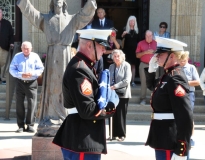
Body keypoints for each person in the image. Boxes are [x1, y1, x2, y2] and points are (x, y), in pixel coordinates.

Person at [17, 0, 97, 136]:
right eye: (56, 1)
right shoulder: (46, 18)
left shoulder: (72, 19)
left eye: (61, 1)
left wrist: (91, 2)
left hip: (66, 56)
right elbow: (33, 14)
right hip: (53, 57)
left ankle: (65, 116)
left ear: (64, 3)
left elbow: (85, 15)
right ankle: (50, 116)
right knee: (52, 87)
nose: (58, 2)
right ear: (53, 3)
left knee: (65, 86)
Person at [53, 29, 119, 160]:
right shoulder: (80, 70)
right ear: (90, 45)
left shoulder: (85, 66)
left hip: (83, 136)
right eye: (101, 47)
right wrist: (112, 105)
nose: (104, 51)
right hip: (82, 137)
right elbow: (88, 110)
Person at [145, 37, 193, 160]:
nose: (157, 56)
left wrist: (181, 150)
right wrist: (151, 70)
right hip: (162, 137)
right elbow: (152, 86)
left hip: (170, 140)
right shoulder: (167, 75)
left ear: (172, 56)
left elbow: (185, 115)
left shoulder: (175, 78)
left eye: (160, 54)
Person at [9, 41, 44, 133]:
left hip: (32, 82)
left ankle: (30, 125)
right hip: (20, 82)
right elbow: (11, 69)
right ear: (21, 48)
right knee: (19, 104)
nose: (26, 50)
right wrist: (20, 74)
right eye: (24, 48)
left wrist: (31, 74)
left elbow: (41, 68)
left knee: (32, 104)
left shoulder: (35, 56)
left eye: (27, 48)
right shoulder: (17, 56)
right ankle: (20, 125)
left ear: (31, 48)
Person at [178, 51, 200, 160]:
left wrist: (185, 82)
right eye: (180, 61)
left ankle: (190, 137)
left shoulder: (191, 68)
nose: (182, 63)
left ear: (187, 59)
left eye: (184, 61)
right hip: (178, 95)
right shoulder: (177, 68)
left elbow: (197, 82)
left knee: (189, 117)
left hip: (189, 94)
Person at [109, 49, 132, 142]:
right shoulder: (111, 66)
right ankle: (113, 134)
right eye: (114, 56)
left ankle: (122, 134)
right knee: (112, 113)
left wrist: (115, 86)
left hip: (123, 94)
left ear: (122, 56)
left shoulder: (126, 65)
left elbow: (127, 80)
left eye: (118, 56)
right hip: (113, 94)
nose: (116, 58)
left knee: (121, 115)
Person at [136, 30, 157, 105]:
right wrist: (145, 52)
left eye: (150, 36)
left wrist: (154, 52)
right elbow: (137, 55)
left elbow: (161, 54)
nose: (148, 37)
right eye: (147, 36)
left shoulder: (156, 43)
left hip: (155, 64)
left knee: (155, 82)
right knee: (143, 82)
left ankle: (155, 99)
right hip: (144, 64)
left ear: (152, 36)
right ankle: (143, 99)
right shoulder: (140, 43)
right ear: (145, 36)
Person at [121, 15, 139, 87]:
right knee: (126, 66)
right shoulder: (125, 29)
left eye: (133, 21)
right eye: (130, 21)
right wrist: (123, 34)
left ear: (135, 22)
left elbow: (139, 41)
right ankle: (126, 81)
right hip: (126, 50)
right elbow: (120, 38)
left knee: (133, 66)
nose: (132, 22)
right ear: (128, 22)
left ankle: (133, 81)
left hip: (134, 51)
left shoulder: (137, 31)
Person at [0, 8, 14, 84]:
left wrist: (11, 43)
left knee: (4, 63)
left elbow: (11, 35)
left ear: (2, 13)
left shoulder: (7, 23)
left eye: (0, 12)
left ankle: (3, 79)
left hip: (4, 46)